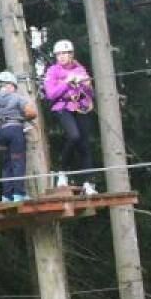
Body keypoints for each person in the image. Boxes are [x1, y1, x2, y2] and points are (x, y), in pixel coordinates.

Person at [43, 39, 97, 195]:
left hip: (81, 108)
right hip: (63, 107)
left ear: (71, 54)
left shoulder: (80, 70)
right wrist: (67, 82)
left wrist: (85, 84)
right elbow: (51, 94)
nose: (61, 57)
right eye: (58, 54)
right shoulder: (52, 71)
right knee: (74, 136)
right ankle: (62, 171)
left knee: (84, 145)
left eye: (64, 53)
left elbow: (91, 93)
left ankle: (88, 182)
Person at [0, 71, 37, 202]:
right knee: (18, 162)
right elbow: (32, 113)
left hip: (0, 133)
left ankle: (7, 195)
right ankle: (19, 194)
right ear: (10, 85)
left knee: (6, 164)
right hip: (14, 131)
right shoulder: (17, 97)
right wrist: (23, 118)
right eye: (14, 86)